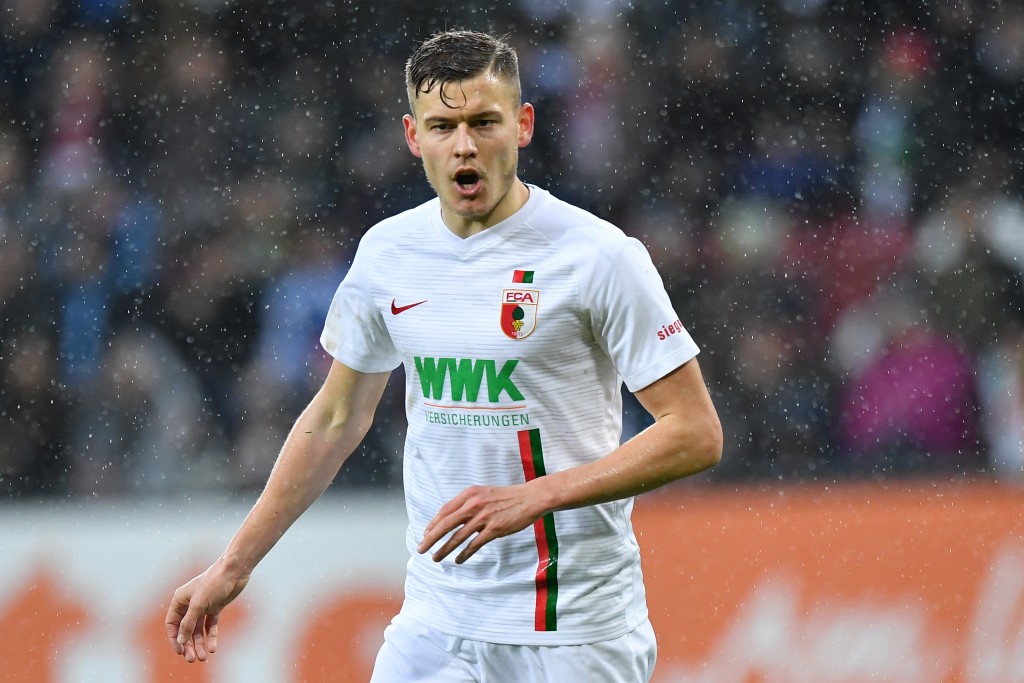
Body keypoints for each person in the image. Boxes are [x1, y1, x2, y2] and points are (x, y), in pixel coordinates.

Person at [165, 30, 723, 682]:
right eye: (443, 125)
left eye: (484, 122)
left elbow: (696, 433)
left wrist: (536, 496)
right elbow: (335, 417)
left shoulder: (598, 256)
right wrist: (235, 562)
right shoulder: (387, 254)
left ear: (523, 125)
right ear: (412, 136)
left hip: (571, 628)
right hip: (436, 622)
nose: (464, 144)